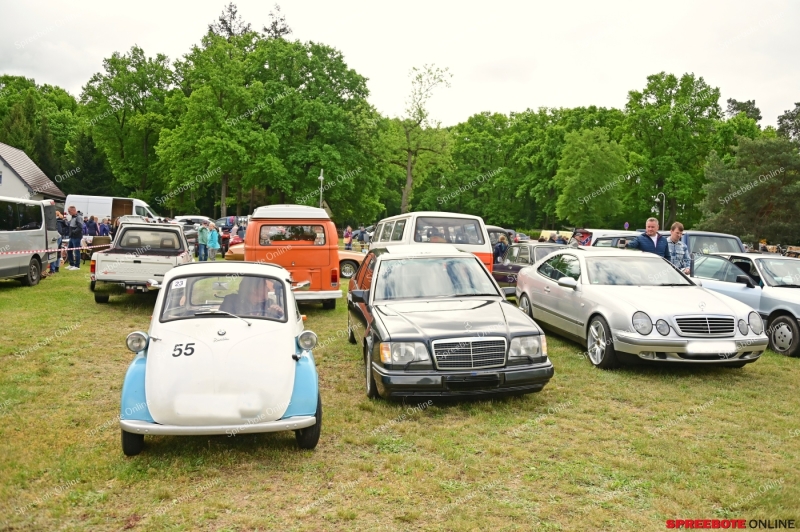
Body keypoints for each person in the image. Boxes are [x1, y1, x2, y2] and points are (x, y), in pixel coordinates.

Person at [219, 277, 284, 319]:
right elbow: (224, 321)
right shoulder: (231, 301)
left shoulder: (270, 303)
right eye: (265, 286)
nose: (268, 289)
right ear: (254, 289)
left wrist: (279, 313)